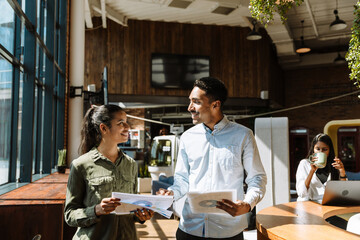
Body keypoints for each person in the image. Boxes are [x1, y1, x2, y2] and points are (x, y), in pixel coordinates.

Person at [157, 77, 267, 239]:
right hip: (189, 228)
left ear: (215, 104)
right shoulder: (187, 137)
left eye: (196, 102)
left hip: (228, 230)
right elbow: (182, 180)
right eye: (190, 101)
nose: (189, 107)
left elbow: (257, 178)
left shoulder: (243, 135)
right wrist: (171, 193)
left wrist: (247, 204)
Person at [64, 104, 154, 240]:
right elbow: (70, 215)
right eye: (121, 123)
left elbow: (131, 208)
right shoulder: (80, 165)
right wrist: (96, 210)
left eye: (126, 122)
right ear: (104, 128)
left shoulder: (130, 164)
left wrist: (141, 215)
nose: (127, 127)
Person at [296, 133, 347, 202]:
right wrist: (312, 171)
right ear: (313, 149)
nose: (321, 152)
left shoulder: (334, 165)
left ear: (329, 151)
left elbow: (344, 192)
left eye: (324, 149)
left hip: (328, 206)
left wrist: (342, 172)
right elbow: (302, 193)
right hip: (309, 206)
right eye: (318, 149)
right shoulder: (305, 164)